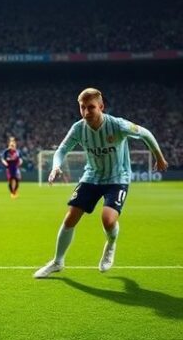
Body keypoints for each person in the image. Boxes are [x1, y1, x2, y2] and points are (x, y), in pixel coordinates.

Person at [34, 87, 168, 278]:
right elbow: (61, 150)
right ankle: (57, 262)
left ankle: (111, 244)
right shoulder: (78, 128)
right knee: (70, 218)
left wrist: (159, 157)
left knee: (108, 220)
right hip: (92, 176)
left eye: (91, 107)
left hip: (117, 178)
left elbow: (145, 133)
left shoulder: (118, 125)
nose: (87, 112)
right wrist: (56, 166)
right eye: (82, 108)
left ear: (101, 107)